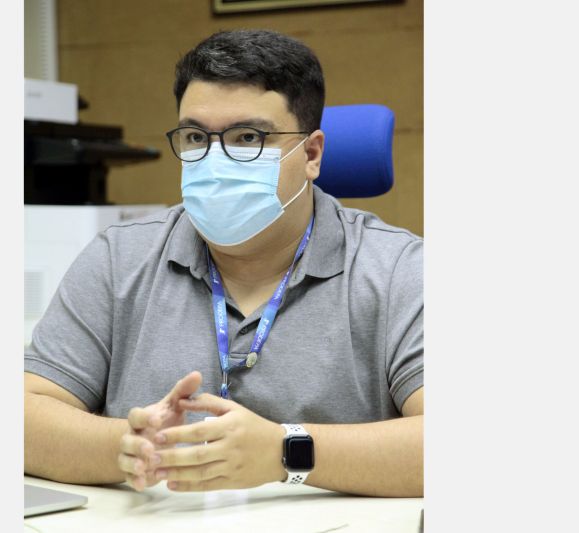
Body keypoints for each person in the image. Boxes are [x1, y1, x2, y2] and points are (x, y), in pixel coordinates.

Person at [24, 29, 423, 497]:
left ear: (311, 154)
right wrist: (127, 446)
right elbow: (25, 414)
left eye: (248, 137)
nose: (216, 160)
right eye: (196, 136)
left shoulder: (399, 268)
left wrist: (283, 451)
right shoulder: (119, 258)